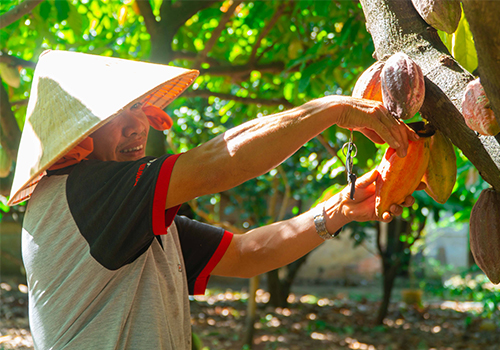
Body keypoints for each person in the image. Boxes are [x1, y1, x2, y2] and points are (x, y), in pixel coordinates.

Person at [9, 50, 421, 349]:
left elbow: (246, 253)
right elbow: (215, 166)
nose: (135, 126)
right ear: (79, 136)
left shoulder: (128, 218)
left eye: (137, 109)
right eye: (113, 117)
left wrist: (339, 210)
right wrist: (332, 110)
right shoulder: (84, 192)